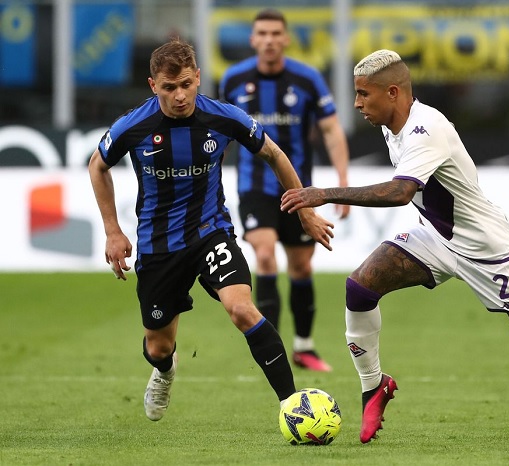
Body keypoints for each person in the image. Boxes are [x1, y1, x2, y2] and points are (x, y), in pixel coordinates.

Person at [281, 49, 509, 446]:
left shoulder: (426, 128)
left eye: (363, 94)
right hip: (437, 237)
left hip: (487, 249)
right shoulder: (392, 123)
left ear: (393, 93)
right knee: (360, 286)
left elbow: (399, 192)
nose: (357, 103)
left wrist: (324, 193)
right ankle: (373, 387)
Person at [88, 38, 334, 422]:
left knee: (242, 309)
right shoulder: (134, 126)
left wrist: (304, 212)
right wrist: (113, 231)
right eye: (169, 87)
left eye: (186, 84)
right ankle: (165, 370)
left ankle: (292, 404)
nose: (180, 95)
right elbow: (97, 165)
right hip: (158, 244)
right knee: (158, 346)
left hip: (210, 231)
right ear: (153, 86)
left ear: (198, 78)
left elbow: (274, 154)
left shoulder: (223, 117)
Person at [219, 8, 350, 372]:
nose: (269, 40)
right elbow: (218, 131)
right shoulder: (233, 79)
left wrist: (342, 180)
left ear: (286, 39)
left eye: (276, 33)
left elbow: (331, 129)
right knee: (264, 255)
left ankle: (304, 346)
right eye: (262, 33)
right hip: (253, 187)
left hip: (298, 191)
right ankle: (271, 349)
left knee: (301, 266)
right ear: (253, 39)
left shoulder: (307, 79)